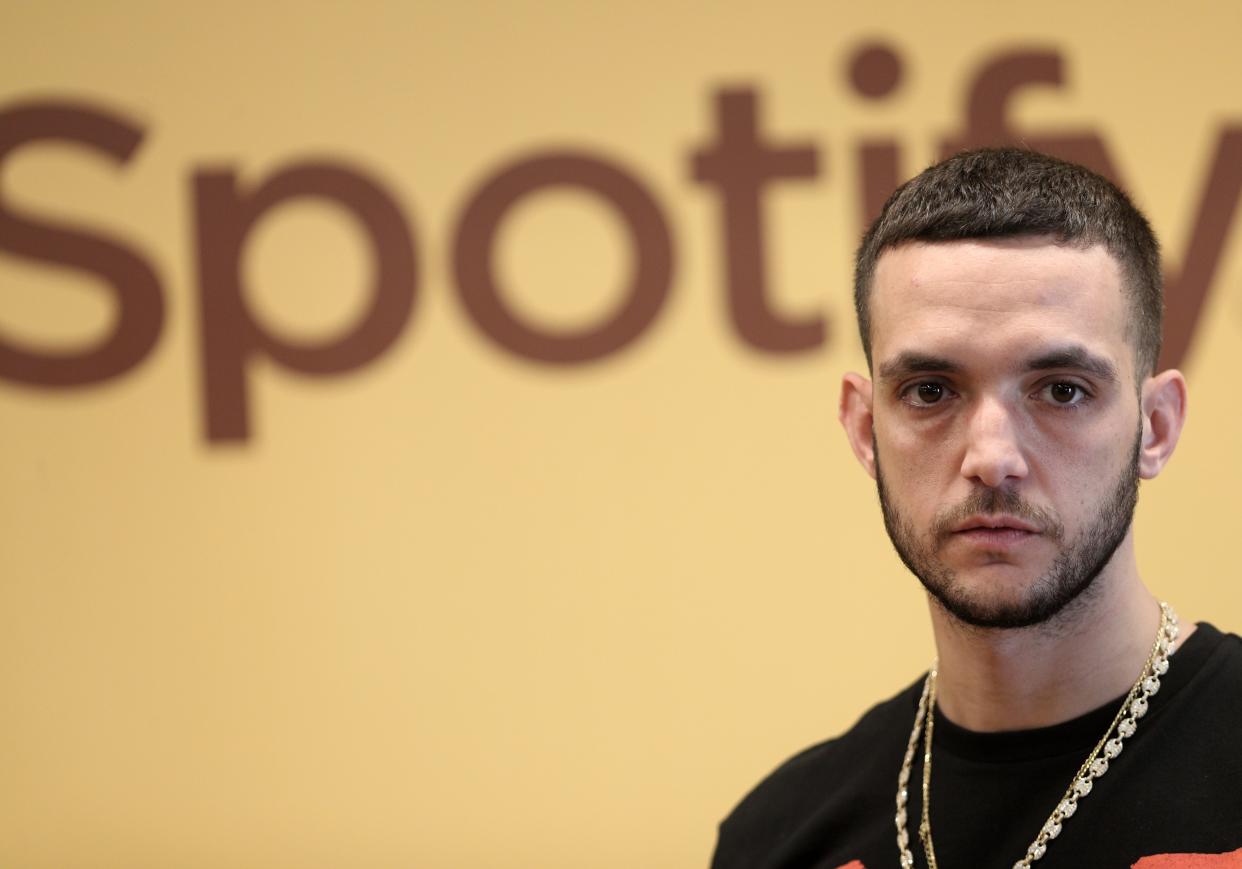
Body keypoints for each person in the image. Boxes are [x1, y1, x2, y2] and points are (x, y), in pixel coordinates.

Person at [711, 148, 1242, 869]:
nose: (992, 457)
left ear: (1156, 426)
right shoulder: (777, 835)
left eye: (1061, 389)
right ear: (866, 429)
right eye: (931, 390)